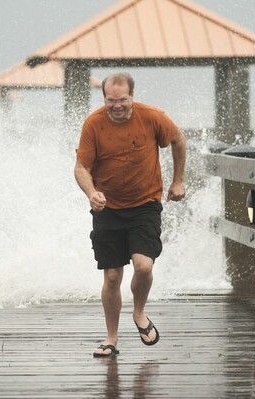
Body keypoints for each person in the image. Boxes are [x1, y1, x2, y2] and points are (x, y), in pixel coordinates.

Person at [74, 72, 186, 358]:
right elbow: (81, 168)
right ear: (105, 99)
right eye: (111, 101)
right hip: (107, 207)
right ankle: (111, 338)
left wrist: (178, 181)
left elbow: (178, 139)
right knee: (112, 277)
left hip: (145, 204)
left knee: (144, 267)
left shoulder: (152, 117)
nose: (117, 106)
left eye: (122, 100)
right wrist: (91, 193)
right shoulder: (94, 124)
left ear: (132, 96)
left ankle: (139, 312)